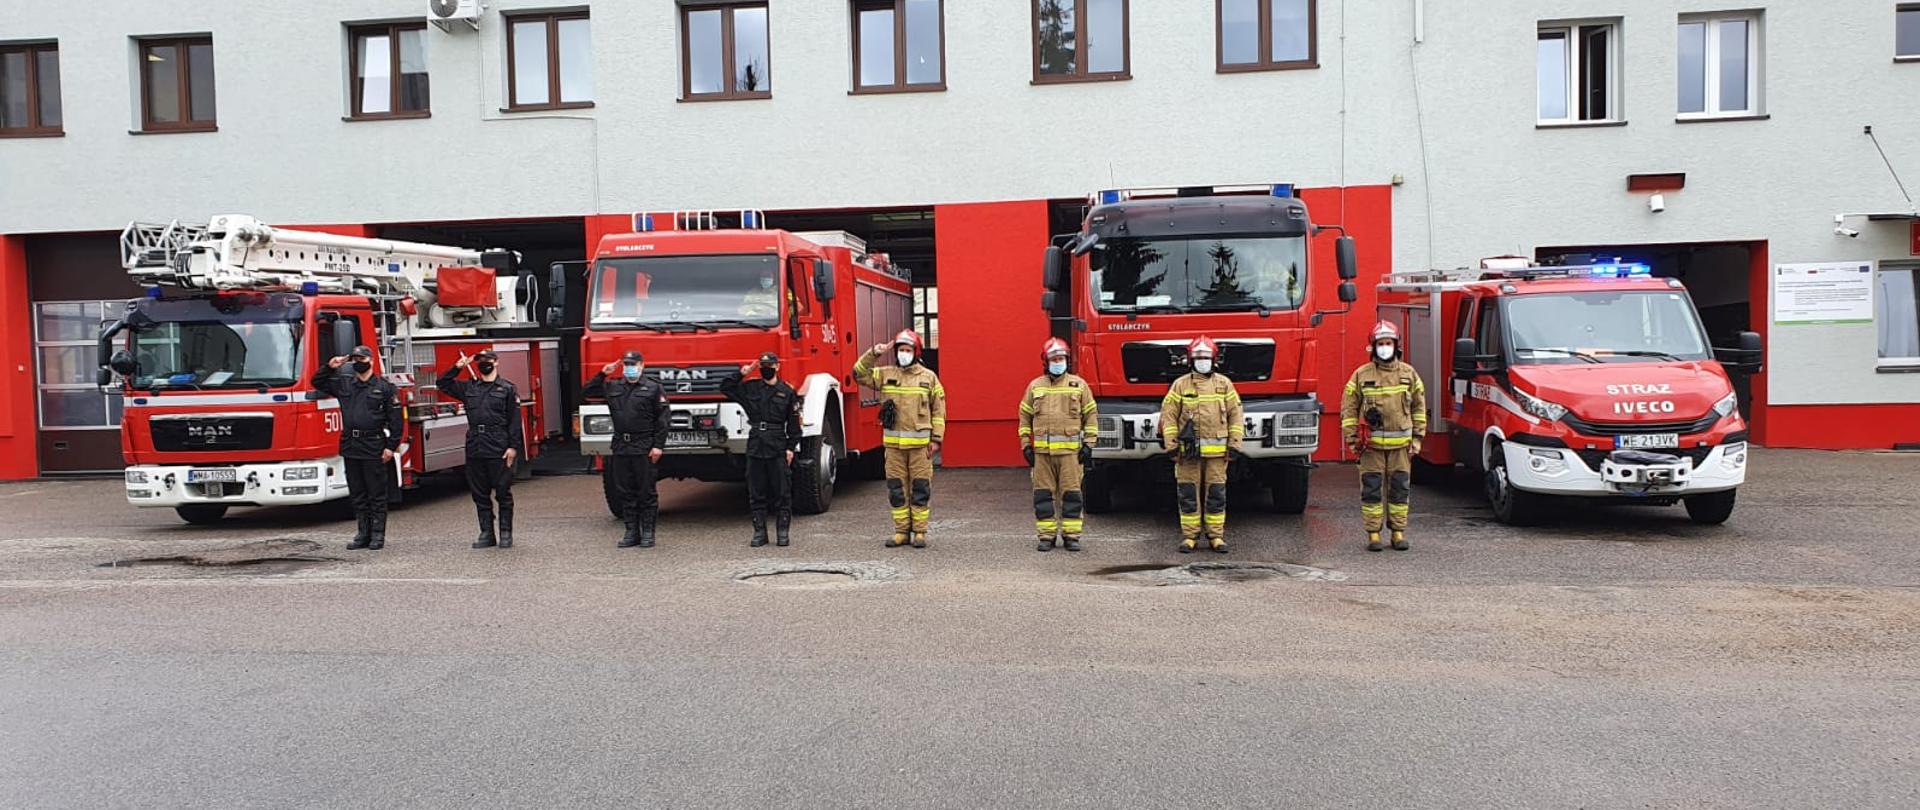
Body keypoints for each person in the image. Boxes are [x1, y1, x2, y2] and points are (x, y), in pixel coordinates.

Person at [852, 329, 945, 548]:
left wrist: (936, 440)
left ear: (916, 352)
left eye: (907, 350)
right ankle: (901, 531)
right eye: (901, 350)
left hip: (920, 448)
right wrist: (874, 352)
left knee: (920, 488)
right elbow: (858, 373)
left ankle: (920, 532)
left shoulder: (928, 377)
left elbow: (939, 411)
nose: (904, 353)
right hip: (893, 447)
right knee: (897, 489)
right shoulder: (885, 374)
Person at [1341, 321, 1428, 552]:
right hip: (1370, 448)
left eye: (1388, 343)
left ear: (1396, 345)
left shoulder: (1409, 374)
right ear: (1373, 346)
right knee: (1371, 491)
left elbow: (1419, 408)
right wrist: (1352, 440)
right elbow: (1349, 410)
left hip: (1401, 448)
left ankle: (1398, 532)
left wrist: (1417, 439)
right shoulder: (1361, 375)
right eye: (1380, 343)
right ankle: (1373, 534)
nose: (1384, 347)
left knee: (1399, 490)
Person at [312, 345, 403, 550]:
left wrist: (390, 447)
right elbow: (317, 382)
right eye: (355, 359)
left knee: (376, 493)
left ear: (370, 360)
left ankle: (378, 535)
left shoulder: (385, 387)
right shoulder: (345, 385)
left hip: (373, 444)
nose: (357, 362)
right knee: (358, 493)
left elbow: (396, 421)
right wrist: (330, 366)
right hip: (351, 445)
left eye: (361, 358)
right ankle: (363, 533)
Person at [1159, 336, 1243, 553]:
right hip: (1188, 454)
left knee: (1216, 494)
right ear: (1190, 360)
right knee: (1188, 495)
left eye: (1206, 357)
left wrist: (1234, 444)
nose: (1202, 361)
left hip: (1217, 456)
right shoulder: (1180, 385)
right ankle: (1190, 537)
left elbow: (1236, 415)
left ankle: (1216, 536)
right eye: (1198, 357)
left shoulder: (1224, 385)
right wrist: (1172, 446)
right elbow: (1168, 417)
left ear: (1214, 359)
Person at [438, 349, 524, 549]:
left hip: (498, 445)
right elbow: (442, 383)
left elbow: (514, 421)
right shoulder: (470, 387)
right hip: (476, 445)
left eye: (487, 360)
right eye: (480, 360)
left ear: (496, 362)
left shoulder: (507, 389)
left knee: (502, 492)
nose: (483, 363)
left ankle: (505, 533)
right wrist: (457, 367)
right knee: (479, 493)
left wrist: (513, 447)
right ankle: (487, 533)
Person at [1019, 337, 1099, 552]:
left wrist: (1089, 445)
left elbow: (1091, 415)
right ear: (1046, 361)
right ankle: (1046, 537)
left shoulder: (1079, 385)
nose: (1058, 362)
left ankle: (1072, 536)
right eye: (1054, 358)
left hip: (1070, 455)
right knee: (1043, 496)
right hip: (1042, 455)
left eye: (1061, 358)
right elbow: (1024, 418)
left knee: (1071, 496)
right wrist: (1026, 446)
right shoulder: (1035, 386)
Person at [583, 350, 669, 548]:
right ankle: (631, 532)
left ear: (642, 366)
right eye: (627, 365)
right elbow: (587, 392)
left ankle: (648, 532)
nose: (630, 368)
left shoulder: (653, 388)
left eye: (634, 364)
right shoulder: (613, 386)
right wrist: (603, 374)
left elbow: (663, 420)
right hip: (622, 446)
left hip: (644, 445)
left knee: (646, 491)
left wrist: (658, 446)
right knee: (625, 491)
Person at [721, 352, 803, 547]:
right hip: (756, 443)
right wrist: (743, 373)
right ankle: (760, 533)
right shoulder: (751, 388)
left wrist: (791, 448)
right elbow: (726, 387)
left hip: (777, 445)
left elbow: (794, 424)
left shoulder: (787, 392)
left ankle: (782, 532)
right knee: (756, 491)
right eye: (763, 366)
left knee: (782, 491)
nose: (766, 369)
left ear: (777, 367)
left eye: (770, 365)